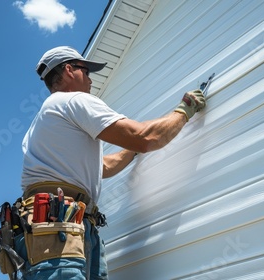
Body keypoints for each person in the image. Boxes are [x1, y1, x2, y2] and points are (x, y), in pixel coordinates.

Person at [16, 46, 206, 279]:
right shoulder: (74, 100)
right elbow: (146, 137)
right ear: (68, 70)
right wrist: (184, 110)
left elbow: (102, 167)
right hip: (59, 229)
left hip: (64, 226)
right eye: (86, 71)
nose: (90, 79)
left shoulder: (45, 120)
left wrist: (132, 151)